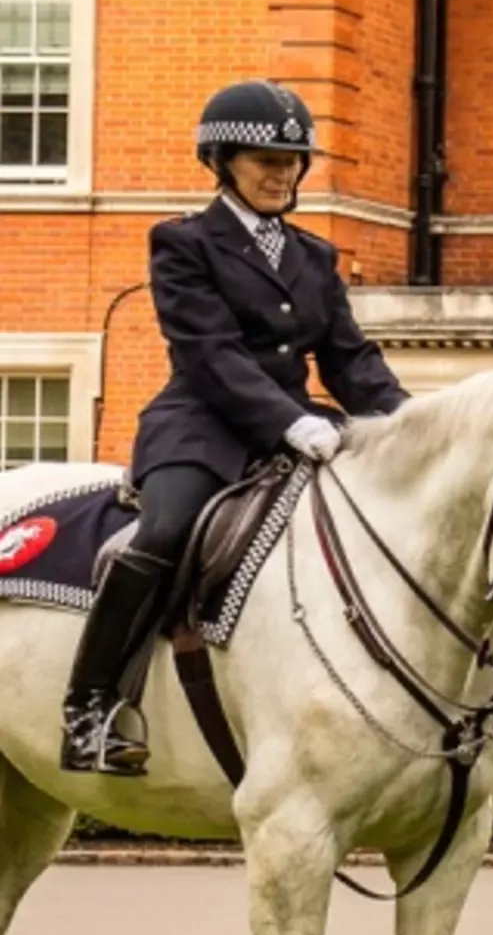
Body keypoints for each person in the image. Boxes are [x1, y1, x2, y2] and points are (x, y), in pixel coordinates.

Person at [62, 80, 408, 776]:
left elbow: (348, 358)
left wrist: (413, 426)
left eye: (291, 161)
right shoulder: (184, 243)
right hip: (201, 426)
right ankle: (91, 706)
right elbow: (210, 354)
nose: (281, 173)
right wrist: (291, 421)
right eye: (263, 160)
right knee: (163, 532)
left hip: (301, 426)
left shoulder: (314, 256)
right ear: (222, 161)